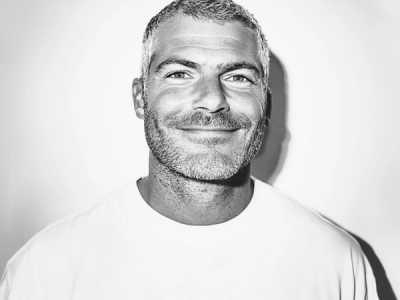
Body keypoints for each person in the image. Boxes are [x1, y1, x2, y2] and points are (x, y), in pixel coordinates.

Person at [0, 0, 379, 299]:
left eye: (237, 77)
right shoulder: (46, 267)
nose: (212, 100)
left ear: (266, 105)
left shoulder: (335, 261)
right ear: (140, 97)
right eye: (180, 73)